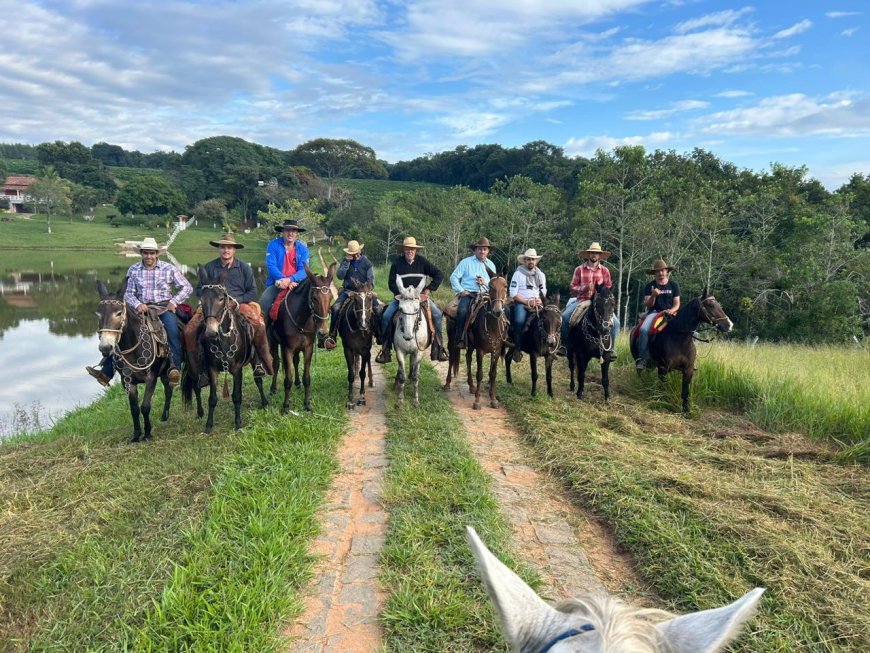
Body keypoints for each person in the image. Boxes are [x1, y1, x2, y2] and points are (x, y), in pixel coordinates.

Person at [86, 237, 192, 387]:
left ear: (157, 254)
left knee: (173, 330)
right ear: (141, 253)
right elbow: (128, 293)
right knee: (121, 330)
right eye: (145, 253)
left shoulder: (169, 269)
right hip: (141, 309)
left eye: (152, 253)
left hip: (163, 307)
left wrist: (173, 302)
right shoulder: (134, 270)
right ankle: (107, 370)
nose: (149, 256)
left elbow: (187, 287)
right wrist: (137, 304)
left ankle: (174, 367)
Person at [182, 233, 274, 379]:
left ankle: (261, 361)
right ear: (219, 249)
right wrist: (208, 296)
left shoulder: (244, 267)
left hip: (239, 304)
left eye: (229, 247)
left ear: (234, 250)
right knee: (189, 330)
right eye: (223, 247)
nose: (226, 250)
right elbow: (199, 289)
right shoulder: (209, 267)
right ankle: (198, 370)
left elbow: (252, 291)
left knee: (259, 324)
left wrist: (236, 300)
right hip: (213, 306)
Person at [375, 236, 448, 363]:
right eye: (407, 249)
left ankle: (438, 348)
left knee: (436, 315)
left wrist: (429, 288)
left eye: (412, 249)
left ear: (416, 250)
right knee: (386, 316)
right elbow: (391, 283)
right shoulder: (397, 263)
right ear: (403, 250)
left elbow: (439, 274)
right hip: (402, 298)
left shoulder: (423, 262)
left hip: (419, 298)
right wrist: (401, 293)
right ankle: (385, 349)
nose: (410, 251)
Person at [561, 242, 619, 360]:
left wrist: (604, 296)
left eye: (596, 253)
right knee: (565, 317)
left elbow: (609, 289)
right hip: (582, 300)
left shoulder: (604, 271)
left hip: (600, 304)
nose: (594, 255)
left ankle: (611, 349)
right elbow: (572, 288)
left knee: (616, 323)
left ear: (599, 256)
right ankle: (564, 345)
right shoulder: (579, 270)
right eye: (592, 253)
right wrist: (584, 288)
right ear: (588, 255)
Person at [323, 239, 377, 350]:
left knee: (378, 309)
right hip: (348, 292)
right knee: (336, 308)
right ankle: (332, 336)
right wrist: (347, 262)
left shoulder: (367, 262)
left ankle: (380, 335)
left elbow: (371, 280)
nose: (355, 255)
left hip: (364, 293)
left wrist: (366, 290)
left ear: (359, 251)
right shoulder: (345, 261)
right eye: (352, 253)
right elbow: (340, 276)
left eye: (356, 253)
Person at [449, 237, 497, 349]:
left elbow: (494, 283)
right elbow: (454, 277)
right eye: (480, 249)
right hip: (469, 294)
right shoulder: (466, 262)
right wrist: (461, 291)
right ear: (475, 250)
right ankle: (461, 338)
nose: (482, 251)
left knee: (502, 311)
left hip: (485, 295)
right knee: (462, 311)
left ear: (488, 251)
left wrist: (485, 282)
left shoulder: (491, 264)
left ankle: (501, 339)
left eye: (485, 249)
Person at [258, 218, 310, 320]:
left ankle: (321, 333)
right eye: (287, 230)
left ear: (297, 233)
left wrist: (291, 279)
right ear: (283, 231)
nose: (290, 233)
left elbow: (304, 270)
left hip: (297, 284)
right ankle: (264, 333)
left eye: (293, 231)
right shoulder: (273, 245)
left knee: (315, 306)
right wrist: (284, 280)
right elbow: (271, 266)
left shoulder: (303, 249)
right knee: (262, 307)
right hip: (277, 283)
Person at [636, 258, 681, 369]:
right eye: (658, 271)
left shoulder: (674, 285)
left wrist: (673, 310)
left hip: (671, 312)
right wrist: (653, 295)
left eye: (663, 270)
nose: (661, 273)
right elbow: (649, 305)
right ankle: (643, 358)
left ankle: (688, 359)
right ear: (655, 273)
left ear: (667, 271)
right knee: (644, 329)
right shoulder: (649, 286)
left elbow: (677, 303)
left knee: (690, 331)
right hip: (655, 313)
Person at [508, 248, 547, 363]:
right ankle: (517, 348)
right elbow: (513, 293)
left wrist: (540, 299)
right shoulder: (518, 274)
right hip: (522, 302)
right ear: (524, 261)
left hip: (537, 302)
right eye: (528, 259)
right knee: (519, 320)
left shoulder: (541, 275)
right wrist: (527, 302)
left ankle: (550, 346)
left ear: (536, 261)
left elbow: (543, 290)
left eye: (533, 259)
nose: (531, 261)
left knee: (550, 318)